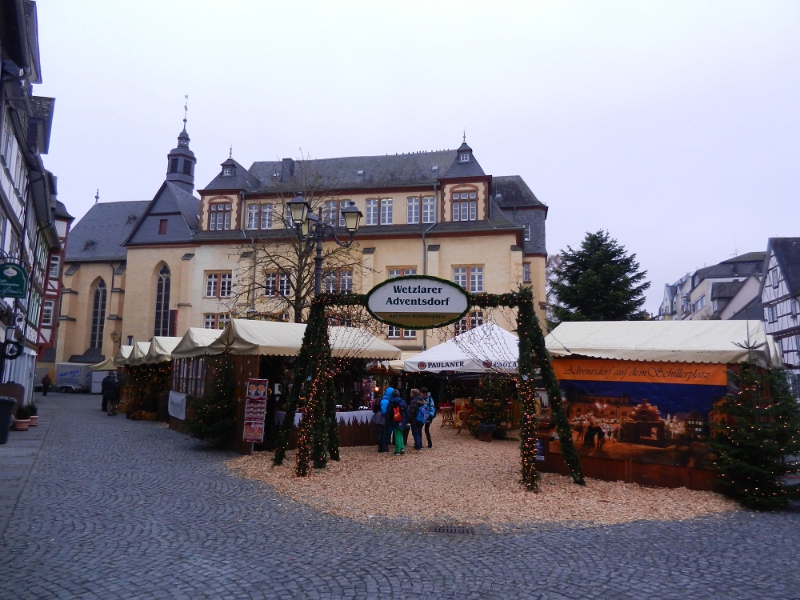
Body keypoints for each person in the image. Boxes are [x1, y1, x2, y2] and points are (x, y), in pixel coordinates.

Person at [387, 389, 407, 455]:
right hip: (403, 420)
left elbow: (389, 412)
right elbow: (406, 411)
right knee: (400, 433)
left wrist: (389, 419)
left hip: (395, 420)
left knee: (397, 434)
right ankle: (402, 448)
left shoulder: (391, 402)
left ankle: (398, 450)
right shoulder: (403, 401)